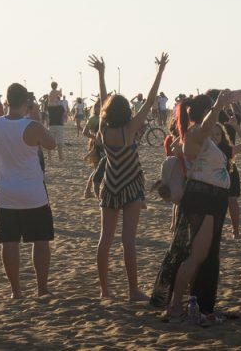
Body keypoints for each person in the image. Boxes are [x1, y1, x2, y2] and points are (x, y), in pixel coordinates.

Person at [90, 52, 168, 301]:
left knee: (105, 240)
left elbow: (104, 100)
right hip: (131, 185)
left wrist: (101, 73)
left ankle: (105, 290)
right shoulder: (130, 128)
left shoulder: (104, 129)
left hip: (110, 184)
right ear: (126, 112)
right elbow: (151, 100)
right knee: (128, 241)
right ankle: (133, 291)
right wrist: (160, 71)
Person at [150, 91, 233, 321]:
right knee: (196, 255)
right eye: (211, 111)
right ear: (205, 113)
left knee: (202, 255)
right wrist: (218, 105)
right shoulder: (197, 132)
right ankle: (175, 305)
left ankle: (194, 303)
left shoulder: (199, 136)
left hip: (212, 199)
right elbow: (206, 127)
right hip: (203, 199)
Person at [0, 83, 57, 299]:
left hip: (6, 192)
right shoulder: (32, 126)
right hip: (32, 192)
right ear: (26, 102)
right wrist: (34, 114)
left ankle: (16, 291)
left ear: (7, 101)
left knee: (9, 242)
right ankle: (42, 288)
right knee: (41, 240)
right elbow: (51, 144)